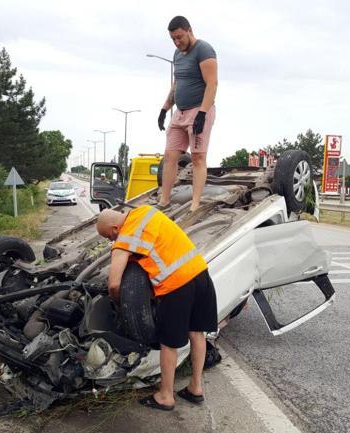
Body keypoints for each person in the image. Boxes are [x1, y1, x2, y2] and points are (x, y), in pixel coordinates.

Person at [96, 206, 218, 410]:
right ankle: (196, 388)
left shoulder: (124, 238)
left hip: (176, 285)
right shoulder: (146, 211)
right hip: (200, 273)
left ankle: (165, 396)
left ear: (115, 228)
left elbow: (114, 284)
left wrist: (118, 303)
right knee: (197, 333)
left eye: (110, 237)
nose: (112, 241)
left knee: (168, 343)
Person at [156, 15, 218, 212]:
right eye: (173, 38)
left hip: (198, 110)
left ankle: (195, 204)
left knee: (198, 158)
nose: (177, 42)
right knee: (169, 156)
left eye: (180, 37)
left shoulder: (204, 49)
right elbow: (178, 83)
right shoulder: (177, 54)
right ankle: (164, 201)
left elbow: (212, 83)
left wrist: (202, 113)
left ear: (189, 30)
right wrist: (164, 108)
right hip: (179, 113)